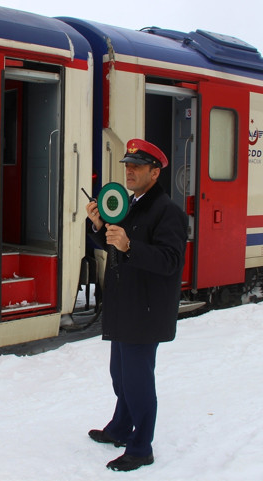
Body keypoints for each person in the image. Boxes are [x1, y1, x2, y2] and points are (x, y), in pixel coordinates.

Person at [85, 138, 188, 472]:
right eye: (127, 166)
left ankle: (141, 446)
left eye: (137, 167)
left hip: (145, 309)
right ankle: (120, 427)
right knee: (120, 374)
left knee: (137, 380)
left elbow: (171, 260)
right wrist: (99, 227)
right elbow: (116, 245)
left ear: (155, 172)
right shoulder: (130, 205)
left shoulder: (168, 211)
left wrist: (130, 246)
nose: (129, 171)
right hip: (125, 304)